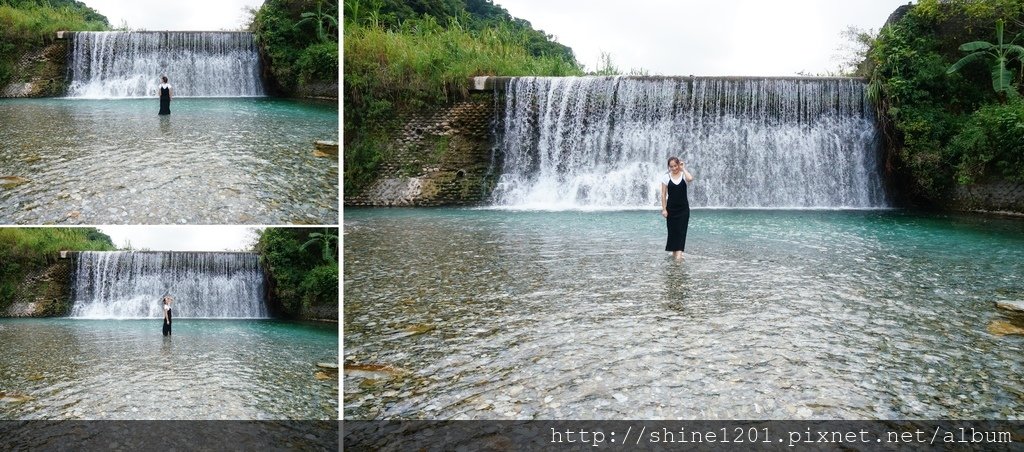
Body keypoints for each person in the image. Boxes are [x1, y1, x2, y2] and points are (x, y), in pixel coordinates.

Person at [660, 156, 694, 260]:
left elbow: (690, 179)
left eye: (675, 166)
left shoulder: (684, 175)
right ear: (668, 167)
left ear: (678, 164)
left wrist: (683, 168)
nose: (674, 168)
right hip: (671, 210)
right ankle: (676, 258)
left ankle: (678, 261)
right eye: (671, 166)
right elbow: (663, 194)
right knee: (673, 233)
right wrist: (664, 209)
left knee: (681, 233)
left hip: (683, 210)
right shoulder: (666, 177)